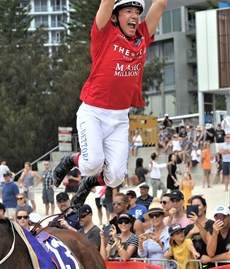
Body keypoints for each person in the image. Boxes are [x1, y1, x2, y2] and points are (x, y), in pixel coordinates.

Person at [52, 0, 168, 210]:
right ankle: (72, 159)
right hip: (94, 113)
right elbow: (107, 2)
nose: (134, 16)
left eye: (137, 12)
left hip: (120, 118)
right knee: (92, 163)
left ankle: (90, 183)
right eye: (128, 11)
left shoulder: (142, 35)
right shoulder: (104, 33)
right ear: (115, 17)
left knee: (115, 178)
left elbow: (160, 3)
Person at [138, 198, 172, 268]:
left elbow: (171, 252)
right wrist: (140, 243)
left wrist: (159, 243)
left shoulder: (170, 231)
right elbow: (142, 255)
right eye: (151, 216)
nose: (154, 218)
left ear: (163, 216)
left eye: (157, 215)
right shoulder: (147, 233)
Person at [184, 195, 214, 269]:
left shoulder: (212, 224)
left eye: (198, 205)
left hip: (208, 264)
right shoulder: (189, 227)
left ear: (205, 207)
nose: (196, 208)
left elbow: (209, 243)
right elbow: (182, 245)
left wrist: (199, 225)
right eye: (194, 206)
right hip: (191, 265)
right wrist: (191, 233)